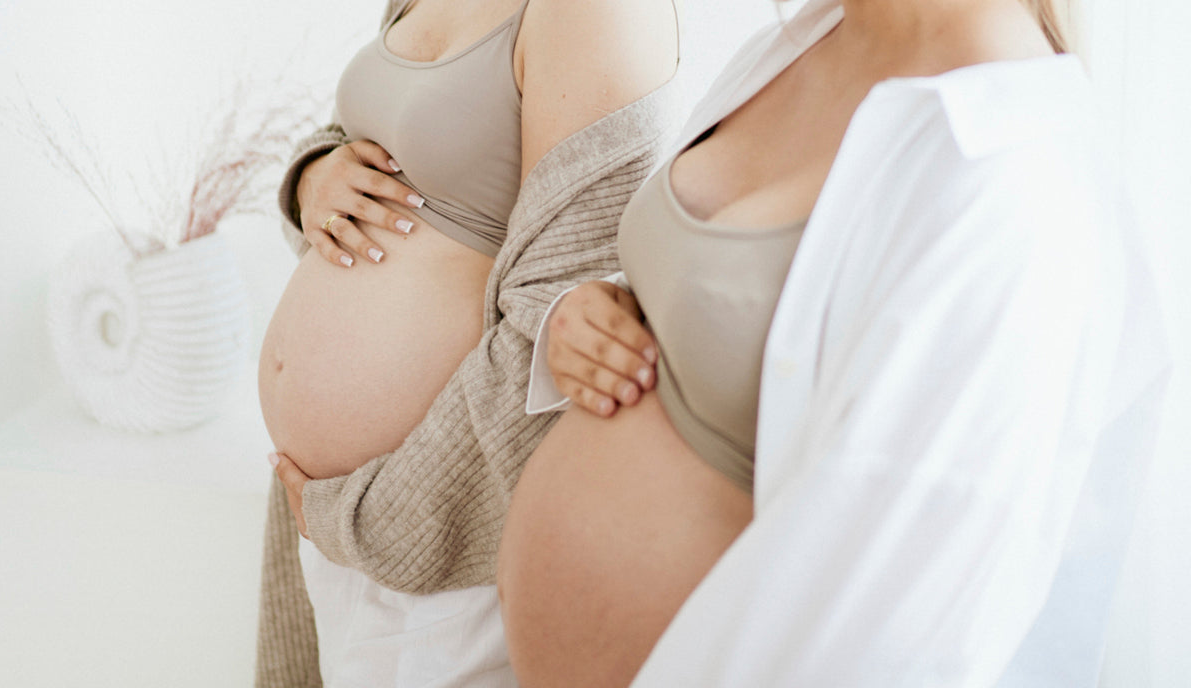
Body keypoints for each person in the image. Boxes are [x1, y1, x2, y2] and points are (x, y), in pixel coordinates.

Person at [497, 0, 1170, 685]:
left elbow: (886, 644)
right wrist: (594, 316)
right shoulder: (800, 41)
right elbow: (752, 304)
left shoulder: (1010, 180)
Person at [253, 0, 679, 683]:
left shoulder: (593, 13)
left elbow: (552, 341)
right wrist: (315, 176)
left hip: (435, 544)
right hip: (341, 525)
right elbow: (388, 146)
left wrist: (356, 522)